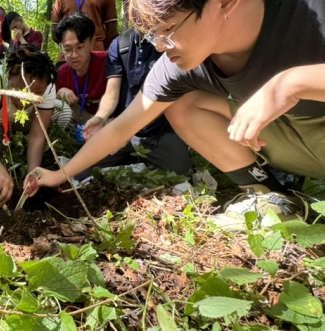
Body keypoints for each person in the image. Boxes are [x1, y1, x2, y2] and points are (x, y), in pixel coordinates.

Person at [29, 0, 325, 224]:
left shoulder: (308, 12)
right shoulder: (177, 65)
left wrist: (290, 84)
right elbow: (121, 128)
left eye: (168, 30)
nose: (159, 46)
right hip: (288, 142)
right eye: (152, 35)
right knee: (182, 104)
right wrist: (58, 175)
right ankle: (271, 196)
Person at [74, 26, 191, 181]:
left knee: (181, 176)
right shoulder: (120, 44)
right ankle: (129, 161)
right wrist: (101, 118)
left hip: (162, 131)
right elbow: (111, 94)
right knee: (81, 174)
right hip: (125, 131)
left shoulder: (167, 41)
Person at [0, 45, 71, 206]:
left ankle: (47, 163)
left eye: (36, 93)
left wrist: (34, 173)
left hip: (25, 120)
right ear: (10, 75)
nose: (26, 99)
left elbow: (37, 135)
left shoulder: (46, 85)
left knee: (64, 112)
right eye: (21, 90)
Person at [54, 13, 109, 141]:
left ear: (92, 43)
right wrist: (60, 93)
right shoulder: (62, 73)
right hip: (80, 120)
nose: (74, 55)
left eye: (79, 47)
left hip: (107, 120)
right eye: (67, 49)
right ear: (60, 47)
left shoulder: (108, 62)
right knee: (57, 106)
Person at [51, 0, 118, 68]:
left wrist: (93, 45)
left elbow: (112, 32)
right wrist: (70, 47)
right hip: (67, 58)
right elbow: (55, 33)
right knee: (61, 74)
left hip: (97, 52)